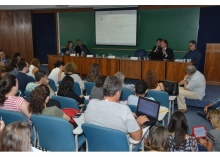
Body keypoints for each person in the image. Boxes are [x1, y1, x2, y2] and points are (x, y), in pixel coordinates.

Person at [84, 76, 149, 141]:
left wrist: (128, 116)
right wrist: (138, 122)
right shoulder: (124, 110)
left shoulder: (91, 104)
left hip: (96, 146)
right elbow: (137, 137)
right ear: (118, 93)